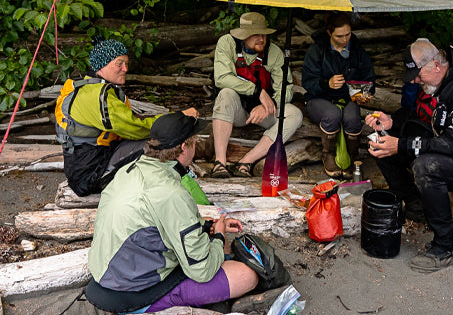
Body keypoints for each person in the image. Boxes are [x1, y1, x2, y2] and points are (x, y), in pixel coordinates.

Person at [87, 111, 257, 313]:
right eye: (195, 141)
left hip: (111, 272)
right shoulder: (170, 192)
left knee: (217, 250)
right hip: (134, 290)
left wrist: (208, 226)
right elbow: (201, 270)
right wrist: (219, 236)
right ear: (184, 147)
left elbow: (157, 219)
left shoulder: (131, 168)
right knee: (247, 276)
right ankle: (154, 307)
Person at [366, 39, 453, 273]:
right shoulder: (445, 82)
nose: (414, 80)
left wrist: (402, 145)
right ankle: (417, 207)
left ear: (435, 65)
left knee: (425, 166)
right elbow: (424, 123)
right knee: (380, 145)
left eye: (417, 74)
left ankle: (446, 247)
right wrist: (392, 125)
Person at [55, 36, 197, 196]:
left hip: (85, 169)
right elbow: (137, 128)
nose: (125, 69)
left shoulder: (85, 88)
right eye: (119, 63)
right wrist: (178, 118)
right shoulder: (96, 96)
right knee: (160, 142)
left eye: (126, 64)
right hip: (90, 176)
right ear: (102, 65)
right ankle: (178, 184)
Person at [210, 12, 302, 178]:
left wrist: (268, 105)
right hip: (236, 110)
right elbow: (221, 78)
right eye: (255, 35)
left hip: (264, 113)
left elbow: (286, 88)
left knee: (294, 114)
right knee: (225, 94)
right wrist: (258, 92)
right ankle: (220, 163)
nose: (261, 39)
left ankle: (246, 161)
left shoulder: (274, 53)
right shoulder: (227, 44)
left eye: (264, 34)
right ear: (243, 36)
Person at [302, 13, 376, 178]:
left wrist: (366, 93)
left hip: (349, 97)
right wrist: (326, 83)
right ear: (329, 33)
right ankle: (328, 155)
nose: (345, 39)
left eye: (348, 35)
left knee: (352, 117)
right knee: (332, 114)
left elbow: (369, 79)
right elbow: (307, 82)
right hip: (319, 99)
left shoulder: (357, 50)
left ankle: (351, 156)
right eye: (339, 36)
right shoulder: (316, 50)